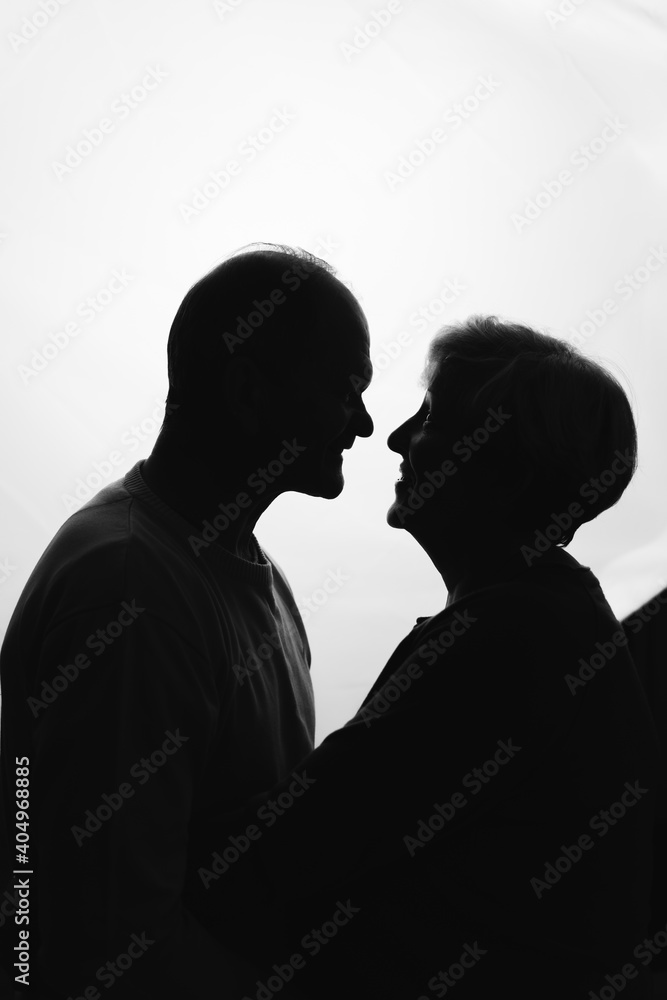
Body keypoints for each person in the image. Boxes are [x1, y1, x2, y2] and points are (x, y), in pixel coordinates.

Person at [185, 316, 665, 999]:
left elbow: (277, 861)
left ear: (507, 471)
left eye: (432, 417)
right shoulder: (549, 620)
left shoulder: (505, 642)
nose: (397, 438)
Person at [0, 244, 373, 997]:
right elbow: (111, 952)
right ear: (247, 390)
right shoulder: (131, 593)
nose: (364, 425)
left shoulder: (245, 574)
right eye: (343, 390)